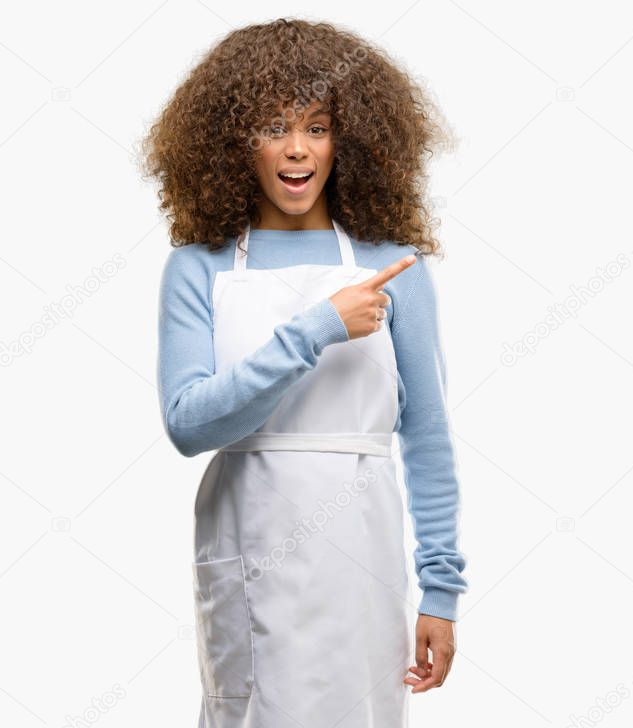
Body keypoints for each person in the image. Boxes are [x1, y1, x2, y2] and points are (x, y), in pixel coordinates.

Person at [140, 17, 468, 728]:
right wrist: (318, 328)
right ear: (234, 143)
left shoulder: (394, 264)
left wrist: (440, 592)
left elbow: (429, 437)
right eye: (272, 127)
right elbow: (189, 425)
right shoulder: (200, 267)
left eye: (316, 127)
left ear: (348, 140)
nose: (296, 149)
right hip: (249, 539)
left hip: (363, 548)